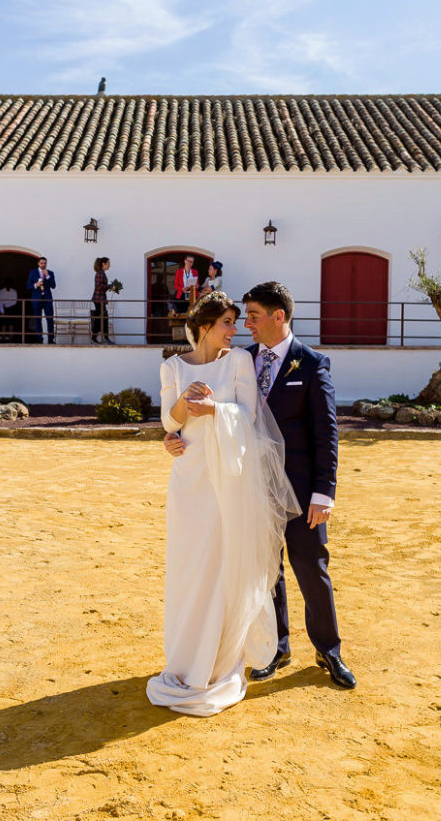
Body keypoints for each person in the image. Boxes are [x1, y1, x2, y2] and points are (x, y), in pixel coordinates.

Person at [164, 281, 356, 691]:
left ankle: (329, 649)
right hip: (247, 485)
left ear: (278, 316)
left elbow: (327, 433)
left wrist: (325, 492)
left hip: (301, 489)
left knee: (310, 566)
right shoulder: (239, 359)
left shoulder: (311, 364)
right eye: (241, 318)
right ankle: (275, 648)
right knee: (263, 572)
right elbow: (197, 413)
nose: (245, 324)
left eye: (252, 316)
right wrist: (172, 435)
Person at [147, 292, 300, 716]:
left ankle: (217, 662)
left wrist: (214, 408)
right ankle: (182, 660)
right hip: (189, 478)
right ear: (204, 327)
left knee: (220, 563)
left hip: (226, 481)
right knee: (188, 564)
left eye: (236, 321)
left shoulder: (237, 362)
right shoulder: (171, 366)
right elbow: (170, 421)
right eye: (227, 323)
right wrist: (185, 403)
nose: (235, 330)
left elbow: (248, 415)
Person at [26, 257, 57, 344]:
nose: (43, 265)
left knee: (50, 319)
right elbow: (28, 286)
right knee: (37, 320)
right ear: (38, 264)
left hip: (47, 299)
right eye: (41, 263)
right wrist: (36, 284)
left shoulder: (50, 273)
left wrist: (47, 276)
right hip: (36, 299)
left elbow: (53, 286)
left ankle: (51, 340)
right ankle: (39, 339)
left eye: (45, 263)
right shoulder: (33, 272)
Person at [91, 257, 114, 344]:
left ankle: (101, 337)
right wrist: (109, 286)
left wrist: (109, 286)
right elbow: (99, 286)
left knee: (102, 318)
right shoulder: (100, 273)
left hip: (99, 299)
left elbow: (100, 286)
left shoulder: (101, 273)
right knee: (101, 318)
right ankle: (99, 338)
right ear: (103, 264)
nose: (109, 265)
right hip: (99, 299)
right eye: (108, 263)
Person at [0, 277, 20, 343]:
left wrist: (6, 305)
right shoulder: (1, 292)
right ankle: (3, 340)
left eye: (10, 284)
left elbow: (14, 301)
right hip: (3, 310)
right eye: (7, 284)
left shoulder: (14, 292)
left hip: (12, 309)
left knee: (11, 325)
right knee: (3, 325)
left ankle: (10, 340)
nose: (8, 285)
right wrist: (2, 311)